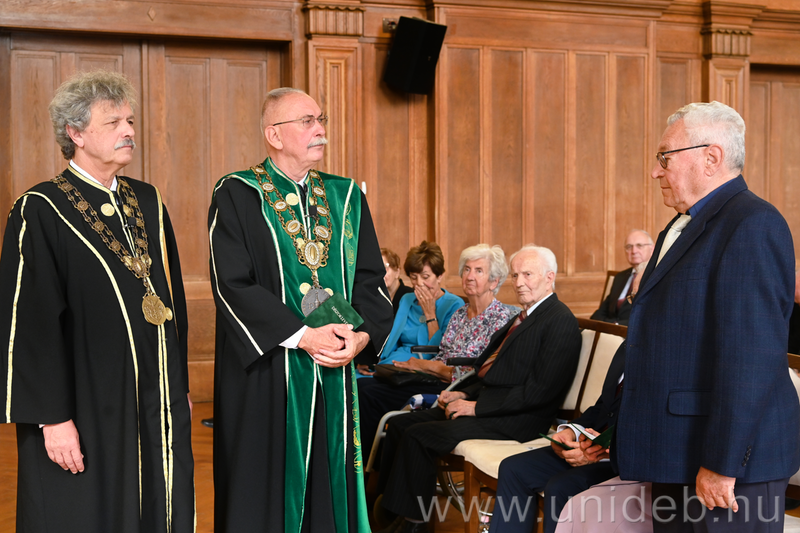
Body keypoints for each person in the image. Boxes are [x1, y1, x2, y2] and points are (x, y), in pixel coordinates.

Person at [0, 70, 194, 532]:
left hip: (155, 395)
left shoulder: (147, 199)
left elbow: (171, 300)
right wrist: (51, 418)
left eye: (130, 121)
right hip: (83, 403)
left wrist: (179, 383)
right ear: (76, 133)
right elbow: (29, 323)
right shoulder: (40, 208)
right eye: (113, 123)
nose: (128, 131)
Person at [208, 87, 393, 533]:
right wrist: (305, 336)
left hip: (335, 370)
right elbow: (232, 283)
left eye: (321, 119)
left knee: (331, 486)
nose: (320, 130)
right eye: (307, 121)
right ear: (274, 134)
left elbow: (371, 278)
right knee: (267, 490)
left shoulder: (346, 196)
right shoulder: (238, 193)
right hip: (269, 373)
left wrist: (361, 336)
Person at [616, 101, 799, 532]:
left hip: (728, 468)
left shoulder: (753, 223)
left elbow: (750, 360)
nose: (656, 172)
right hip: (678, 452)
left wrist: (721, 463)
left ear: (711, 157)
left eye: (665, 157)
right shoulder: (680, 225)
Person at [376, 245, 583, 533]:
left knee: (418, 436)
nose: (519, 282)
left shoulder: (559, 321)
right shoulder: (524, 316)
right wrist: (463, 392)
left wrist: (476, 407)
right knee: (400, 425)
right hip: (491, 404)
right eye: (515, 275)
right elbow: (487, 369)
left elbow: (539, 392)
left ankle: (412, 524)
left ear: (550, 278)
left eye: (527, 275)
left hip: (517, 420)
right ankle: (390, 510)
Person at [358, 243, 517, 458]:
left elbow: (474, 371)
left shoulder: (501, 319)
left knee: (369, 394)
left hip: (454, 386)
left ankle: (367, 465)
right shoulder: (461, 314)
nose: (470, 276)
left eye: (478, 271)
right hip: (430, 375)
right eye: (467, 270)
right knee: (361, 387)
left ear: (494, 281)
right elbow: (442, 353)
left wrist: (420, 363)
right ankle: (364, 465)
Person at [489, 341, 626, 533]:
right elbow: (603, 406)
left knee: (561, 487)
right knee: (513, 468)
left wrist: (606, 449)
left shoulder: (664, 358)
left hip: (623, 460)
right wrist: (572, 431)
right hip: (590, 445)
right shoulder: (627, 346)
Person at [355, 241, 463, 375]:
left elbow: (442, 351)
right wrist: (372, 361)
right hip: (394, 361)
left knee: (366, 385)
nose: (419, 283)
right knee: (355, 379)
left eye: (425, 277)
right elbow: (392, 339)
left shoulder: (454, 304)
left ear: (439, 276)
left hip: (423, 366)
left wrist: (430, 314)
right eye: (413, 277)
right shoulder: (407, 299)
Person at [590, 230, 653, 325]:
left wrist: (617, 325)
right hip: (611, 331)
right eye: (629, 247)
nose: (634, 251)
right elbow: (599, 314)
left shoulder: (655, 278)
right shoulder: (619, 277)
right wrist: (613, 325)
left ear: (652, 249)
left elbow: (648, 316)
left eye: (639, 245)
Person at [383, 247, 415, 314]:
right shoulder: (375, 297)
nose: (381, 274)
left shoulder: (410, 295)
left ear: (397, 272)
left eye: (385, 268)